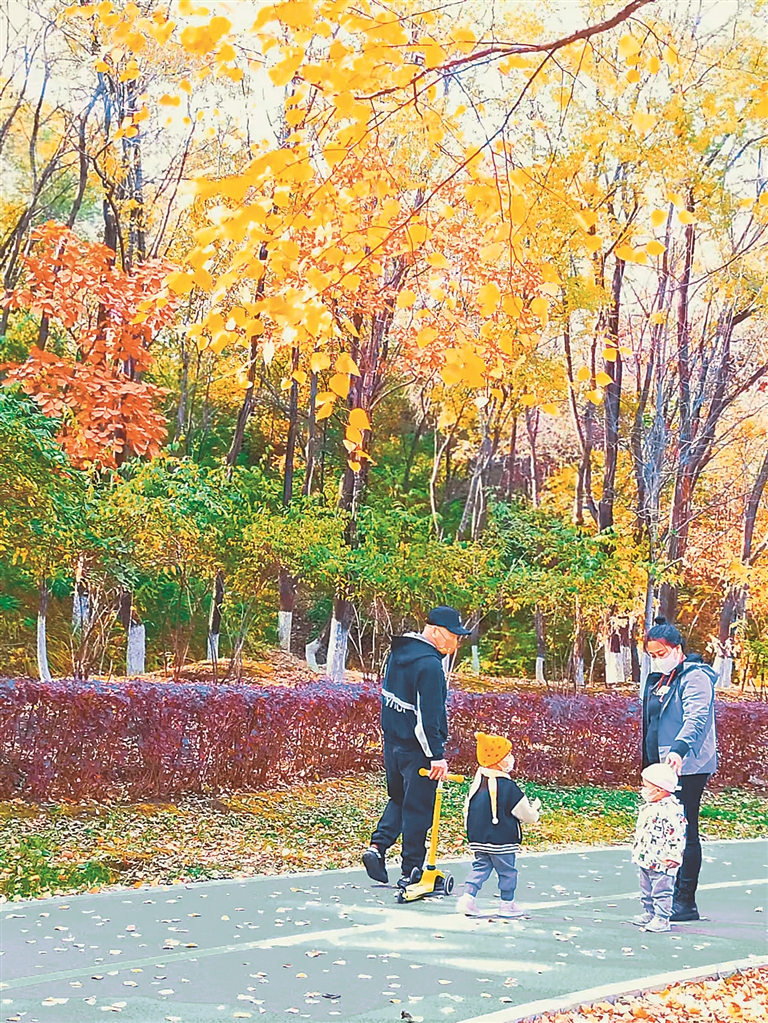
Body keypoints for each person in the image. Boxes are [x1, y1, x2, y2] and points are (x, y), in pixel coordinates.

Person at [362, 606, 471, 889]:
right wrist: (436, 756)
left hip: (392, 743)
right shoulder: (430, 666)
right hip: (417, 749)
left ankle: (377, 847)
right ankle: (411, 870)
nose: (456, 642)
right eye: (452, 635)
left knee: (399, 798)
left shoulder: (400, 653)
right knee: (418, 809)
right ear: (435, 631)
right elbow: (427, 716)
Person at [643, 616, 718, 921]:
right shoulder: (662, 678)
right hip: (662, 764)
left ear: (677, 648)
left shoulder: (695, 677)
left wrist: (679, 749)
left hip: (688, 763)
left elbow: (696, 718)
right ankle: (664, 896)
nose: (657, 660)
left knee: (684, 828)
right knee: (663, 830)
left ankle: (685, 901)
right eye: (652, 655)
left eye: (661, 654)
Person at [455, 731, 541, 918]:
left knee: (480, 867)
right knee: (507, 871)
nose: (511, 758)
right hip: (502, 839)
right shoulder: (509, 787)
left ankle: (467, 898)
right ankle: (507, 904)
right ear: (496, 760)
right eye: (507, 755)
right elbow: (525, 814)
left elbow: (468, 810)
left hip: (478, 838)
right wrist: (535, 812)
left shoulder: (477, 785)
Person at [631, 762, 687, 933]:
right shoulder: (650, 807)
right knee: (646, 889)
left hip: (662, 860)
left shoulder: (671, 810)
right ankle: (650, 912)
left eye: (646, 786)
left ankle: (662, 918)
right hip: (647, 857)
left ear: (659, 790)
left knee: (662, 890)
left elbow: (677, 834)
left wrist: (674, 855)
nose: (643, 790)